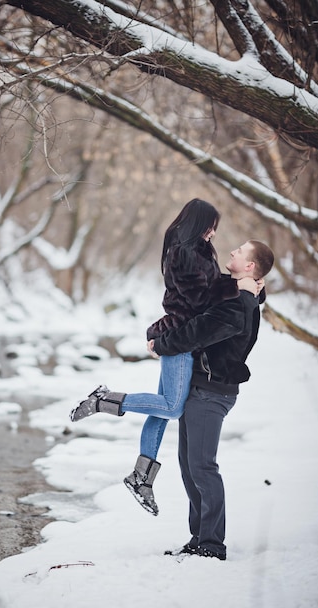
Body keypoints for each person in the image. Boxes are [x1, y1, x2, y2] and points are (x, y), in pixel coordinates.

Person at [69, 198, 241, 515]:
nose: (213, 233)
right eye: (210, 226)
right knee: (172, 407)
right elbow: (195, 304)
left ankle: (141, 477)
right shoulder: (185, 252)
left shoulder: (195, 251)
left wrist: (242, 285)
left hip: (179, 337)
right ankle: (104, 399)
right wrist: (237, 288)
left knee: (161, 410)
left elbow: (201, 293)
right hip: (178, 341)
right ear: (198, 223)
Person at [153, 240, 275, 561]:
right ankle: (198, 537)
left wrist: (161, 344)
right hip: (199, 387)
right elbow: (207, 289)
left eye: (239, 251)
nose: (232, 252)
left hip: (212, 392)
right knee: (188, 466)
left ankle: (211, 544)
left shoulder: (238, 304)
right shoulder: (236, 293)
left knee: (203, 467)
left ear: (250, 267)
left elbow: (197, 331)